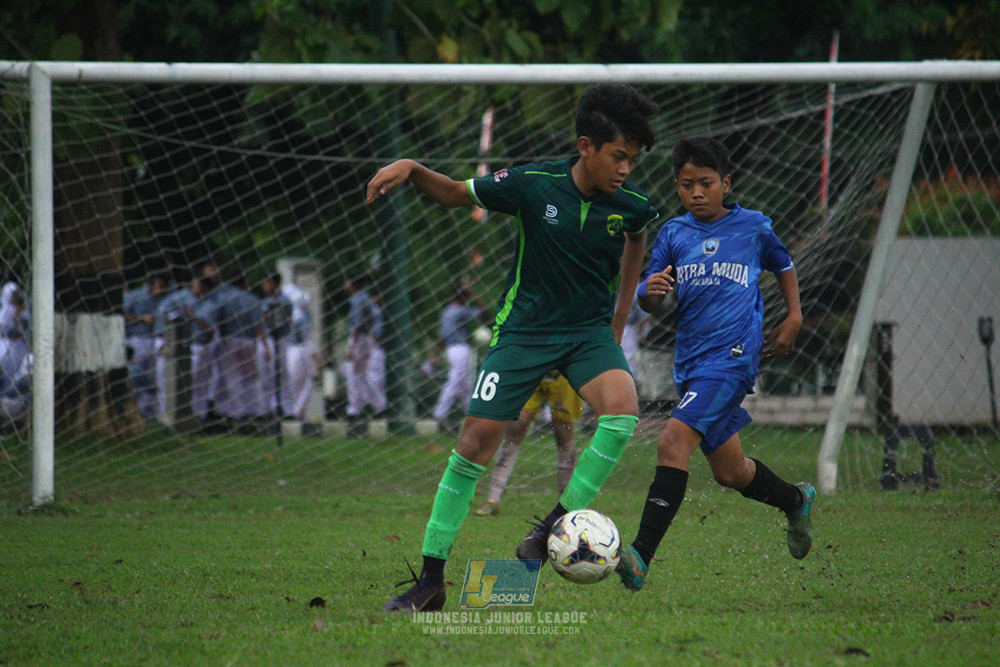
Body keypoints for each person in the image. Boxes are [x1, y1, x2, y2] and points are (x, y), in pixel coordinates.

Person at [366, 82, 659, 612]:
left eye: (633, 161)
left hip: (588, 334)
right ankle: (430, 581)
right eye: (619, 156)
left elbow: (637, 238)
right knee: (475, 442)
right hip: (522, 333)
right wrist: (411, 167)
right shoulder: (533, 184)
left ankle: (548, 530)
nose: (625, 170)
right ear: (586, 146)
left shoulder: (632, 205)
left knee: (623, 413)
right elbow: (457, 193)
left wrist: (618, 320)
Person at [615, 137, 815, 593]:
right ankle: (796, 500)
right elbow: (649, 295)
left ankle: (640, 556)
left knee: (672, 442)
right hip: (692, 361)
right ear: (677, 187)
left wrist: (794, 317)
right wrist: (651, 289)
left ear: (726, 183)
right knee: (731, 472)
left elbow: (783, 264)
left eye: (706, 183)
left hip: (735, 357)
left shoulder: (753, 227)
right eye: (687, 185)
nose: (697, 193)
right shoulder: (673, 234)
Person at [474, 371, 581, 516]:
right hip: (534, 366)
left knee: (563, 431)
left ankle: (568, 504)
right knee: (517, 425)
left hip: (562, 371)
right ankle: (493, 498)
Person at [429, 282, 485, 434]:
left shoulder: (447, 311)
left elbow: (441, 336)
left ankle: (473, 414)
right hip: (460, 349)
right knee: (455, 381)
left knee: (465, 386)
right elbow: (483, 310)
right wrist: (473, 293)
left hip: (450, 350)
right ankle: (439, 414)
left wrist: (434, 354)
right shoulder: (461, 311)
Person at [123, 271, 169, 419]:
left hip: (156, 341)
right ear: (149, 286)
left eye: (164, 287)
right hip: (137, 340)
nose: (161, 290)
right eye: (159, 286)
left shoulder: (165, 300)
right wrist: (141, 318)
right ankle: (137, 412)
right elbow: (121, 316)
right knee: (137, 376)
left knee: (155, 379)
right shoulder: (134, 297)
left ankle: (154, 413)